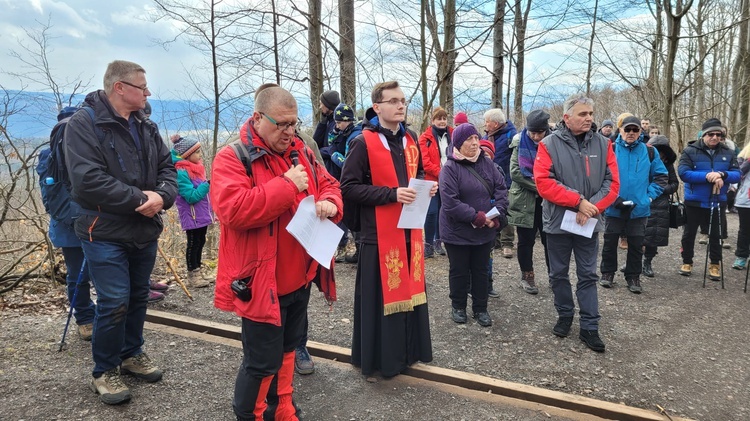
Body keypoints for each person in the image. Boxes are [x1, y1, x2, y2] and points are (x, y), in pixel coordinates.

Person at [211, 86, 342, 420]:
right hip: (261, 283)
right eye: (282, 124)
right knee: (260, 362)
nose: (289, 132)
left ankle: (282, 407)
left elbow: (329, 183)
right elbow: (232, 210)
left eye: (294, 124)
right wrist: (287, 185)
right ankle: (251, 415)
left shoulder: (302, 152)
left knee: (287, 350)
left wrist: (330, 201)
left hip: (300, 278)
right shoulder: (232, 157)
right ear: (258, 118)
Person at [64, 60, 177, 404]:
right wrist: (141, 199)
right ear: (119, 87)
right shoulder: (83, 125)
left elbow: (167, 167)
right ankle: (104, 370)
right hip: (103, 230)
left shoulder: (145, 125)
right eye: (142, 87)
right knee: (114, 300)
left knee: (138, 295)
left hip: (143, 228)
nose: (148, 93)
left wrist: (163, 196)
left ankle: (131, 354)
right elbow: (87, 180)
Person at [340, 80, 435, 377]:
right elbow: (349, 188)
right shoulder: (362, 141)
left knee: (410, 294)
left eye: (403, 100)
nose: (401, 105)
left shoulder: (411, 139)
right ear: (377, 107)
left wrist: (423, 188)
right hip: (377, 235)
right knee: (380, 301)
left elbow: (415, 173)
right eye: (393, 101)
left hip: (409, 230)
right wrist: (391, 194)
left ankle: (408, 353)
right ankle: (382, 360)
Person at [534, 94, 619, 353]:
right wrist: (578, 202)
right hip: (559, 221)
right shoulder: (548, 144)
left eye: (591, 114)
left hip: (588, 222)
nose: (589, 118)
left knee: (588, 274)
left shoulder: (604, 144)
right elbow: (543, 182)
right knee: (558, 274)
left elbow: (612, 183)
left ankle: (590, 327)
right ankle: (565, 315)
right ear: (567, 117)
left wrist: (590, 207)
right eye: (583, 114)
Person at [440, 123, 508, 327]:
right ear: (458, 144)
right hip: (457, 231)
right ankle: (458, 306)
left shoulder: (487, 164)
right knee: (459, 270)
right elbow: (450, 203)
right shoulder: (450, 168)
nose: (475, 142)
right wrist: (477, 217)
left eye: (477, 138)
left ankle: (481, 308)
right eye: (469, 139)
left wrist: (497, 215)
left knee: (481, 270)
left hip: (485, 230)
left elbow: (501, 190)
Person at [38, 106, 96, 341]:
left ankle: (88, 318)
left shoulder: (49, 154)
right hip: (79, 222)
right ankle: (85, 317)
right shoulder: (52, 155)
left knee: (81, 273)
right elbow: (56, 194)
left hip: (75, 223)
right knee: (80, 273)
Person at [598, 116, 667, 294]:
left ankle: (633, 276)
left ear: (640, 132)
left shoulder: (650, 151)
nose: (631, 133)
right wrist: (611, 198)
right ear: (620, 130)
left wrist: (648, 198)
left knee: (636, 244)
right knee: (610, 241)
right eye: (627, 129)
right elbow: (600, 177)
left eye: (635, 130)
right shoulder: (610, 149)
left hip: (639, 207)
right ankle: (607, 273)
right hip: (614, 205)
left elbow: (661, 176)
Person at [678, 118, 740, 280]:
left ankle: (715, 264)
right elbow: (684, 173)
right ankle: (687, 262)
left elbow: (737, 174)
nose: (714, 137)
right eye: (710, 134)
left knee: (716, 234)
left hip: (717, 199)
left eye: (718, 134)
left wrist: (722, 175)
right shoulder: (690, 151)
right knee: (689, 234)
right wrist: (708, 176)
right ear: (703, 134)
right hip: (694, 200)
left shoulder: (728, 152)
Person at [508, 110, 552, 295]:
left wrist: (547, 188)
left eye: (539, 133)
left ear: (546, 130)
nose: (535, 137)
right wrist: (540, 186)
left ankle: (554, 275)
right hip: (525, 199)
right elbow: (515, 172)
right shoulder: (519, 142)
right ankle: (527, 275)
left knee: (551, 240)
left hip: (549, 201)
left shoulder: (554, 144)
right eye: (532, 133)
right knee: (525, 241)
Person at [320, 102, 362, 264]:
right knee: (347, 216)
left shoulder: (354, 136)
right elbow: (330, 144)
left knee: (352, 216)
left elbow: (346, 163)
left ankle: (360, 250)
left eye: (339, 122)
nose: (336, 125)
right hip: (343, 181)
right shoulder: (345, 132)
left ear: (348, 120)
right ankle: (354, 249)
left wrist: (333, 154)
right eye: (335, 122)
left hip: (352, 182)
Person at [171, 134, 212, 289]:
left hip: (200, 215)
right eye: (197, 153)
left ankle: (198, 270)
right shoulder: (181, 172)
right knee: (193, 243)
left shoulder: (196, 169)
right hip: (192, 215)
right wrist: (207, 185)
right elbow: (190, 197)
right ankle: (192, 275)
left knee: (201, 241)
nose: (200, 156)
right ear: (187, 155)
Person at [642, 135, 680, 278]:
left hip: (661, 204)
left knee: (654, 236)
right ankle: (633, 261)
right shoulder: (643, 161)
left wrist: (662, 189)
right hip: (644, 200)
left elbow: (674, 184)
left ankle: (647, 262)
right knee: (636, 233)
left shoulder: (667, 164)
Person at [418, 106, 452, 257]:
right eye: (439, 118)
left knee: (443, 212)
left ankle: (439, 242)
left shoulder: (453, 134)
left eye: (444, 118)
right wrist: (443, 173)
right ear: (433, 120)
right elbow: (425, 163)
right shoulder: (425, 138)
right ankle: (428, 245)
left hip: (450, 180)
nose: (442, 121)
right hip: (431, 181)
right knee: (431, 213)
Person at [484, 108, 517, 258]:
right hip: (490, 179)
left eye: (487, 121)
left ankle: (507, 243)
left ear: (496, 124)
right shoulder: (488, 136)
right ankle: (495, 239)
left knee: (505, 210)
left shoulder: (511, 135)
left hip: (507, 180)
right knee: (492, 208)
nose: (485, 124)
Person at [731, 143, 750, 270]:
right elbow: (737, 174)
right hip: (746, 200)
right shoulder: (743, 159)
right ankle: (741, 256)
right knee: (745, 229)